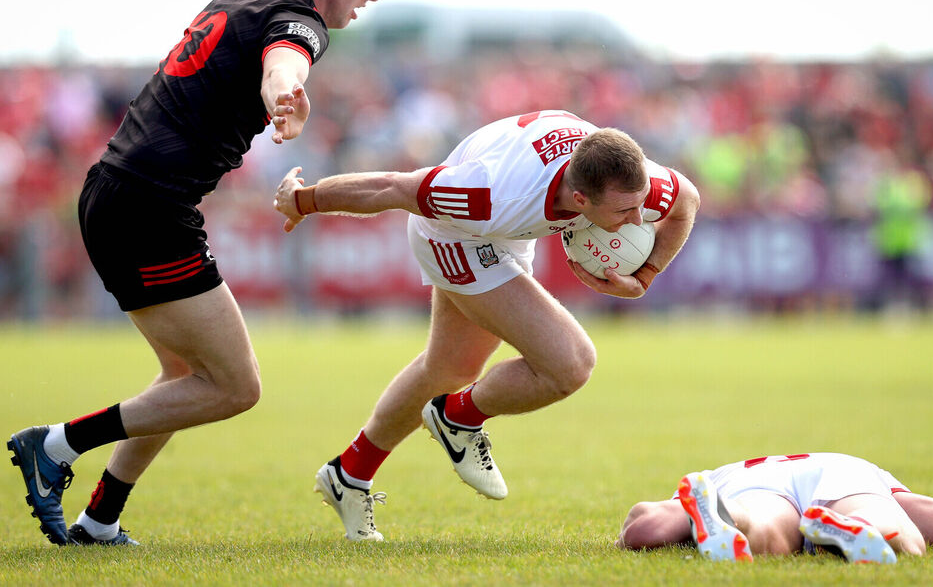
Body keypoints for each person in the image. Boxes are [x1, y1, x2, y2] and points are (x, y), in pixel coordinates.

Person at [6, 0, 389, 546]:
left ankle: (100, 520)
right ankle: (55, 446)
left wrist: (281, 90)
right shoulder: (303, 21)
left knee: (186, 377)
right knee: (235, 387)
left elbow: (265, 58)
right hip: (150, 208)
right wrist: (284, 93)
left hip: (119, 190)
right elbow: (283, 62)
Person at [273, 109, 702, 540]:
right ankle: (457, 417)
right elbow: (391, 187)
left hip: (507, 231)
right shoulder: (485, 195)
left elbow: (687, 203)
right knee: (571, 363)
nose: (638, 219)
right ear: (581, 200)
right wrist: (303, 200)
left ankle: (349, 474)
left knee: (449, 369)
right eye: (626, 211)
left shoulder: (634, 180)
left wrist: (646, 276)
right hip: (453, 235)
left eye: (639, 203)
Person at [616, 452, 933, 564]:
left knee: (763, 524)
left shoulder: (718, 475)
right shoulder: (862, 467)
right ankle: (865, 528)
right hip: (844, 470)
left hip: (745, 480)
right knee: (884, 517)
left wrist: (632, 533)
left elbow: (647, 526)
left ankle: (731, 518)